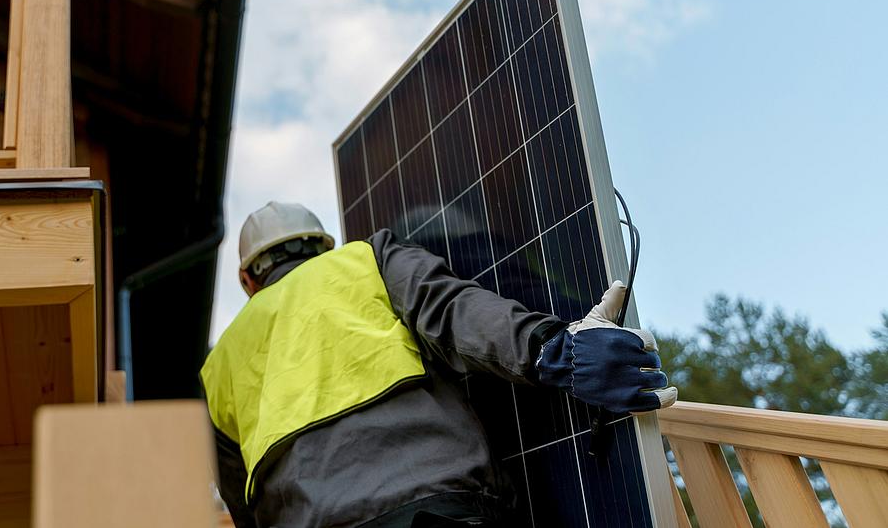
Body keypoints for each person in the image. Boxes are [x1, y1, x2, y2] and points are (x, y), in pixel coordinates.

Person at [201, 202, 677, 527]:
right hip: (437, 508)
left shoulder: (218, 365)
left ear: (248, 278)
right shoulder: (363, 260)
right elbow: (456, 313)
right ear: (322, 246)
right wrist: (553, 348)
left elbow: (240, 501)